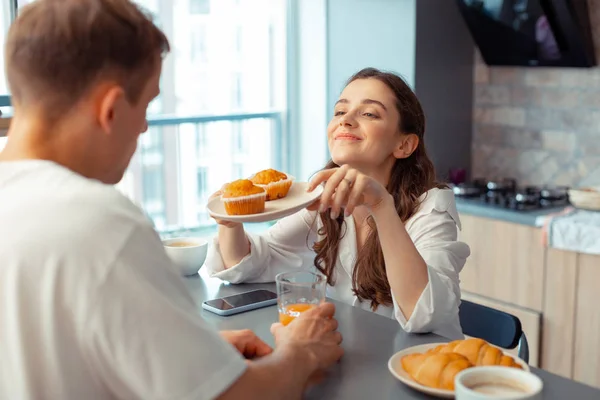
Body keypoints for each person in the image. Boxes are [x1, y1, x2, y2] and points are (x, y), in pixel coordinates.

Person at [0, 1, 342, 399]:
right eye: (145, 105)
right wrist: (300, 353)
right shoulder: (98, 222)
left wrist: (189, 355)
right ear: (109, 110)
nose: (144, 126)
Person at [207, 68, 471, 340]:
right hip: (361, 360)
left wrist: (382, 205)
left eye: (369, 113)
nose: (345, 121)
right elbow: (251, 264)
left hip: (423, 368)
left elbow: (424, 315)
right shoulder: (322, 199)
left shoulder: (431, 207)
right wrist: (230, 221)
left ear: (404, 145)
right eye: (340, 111)